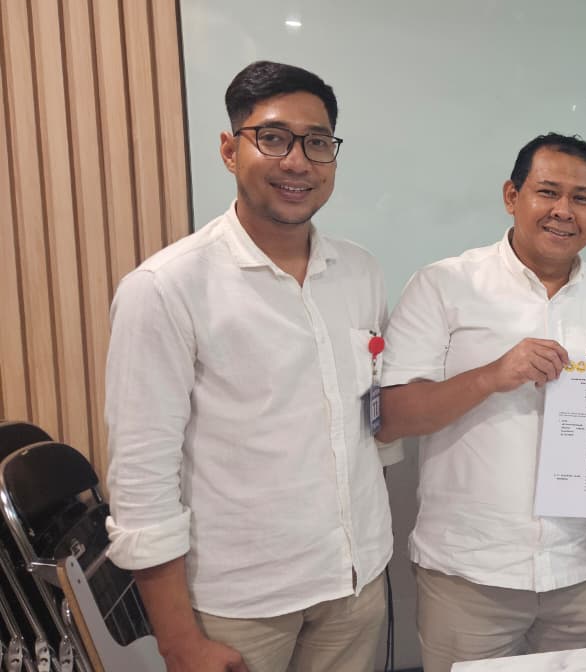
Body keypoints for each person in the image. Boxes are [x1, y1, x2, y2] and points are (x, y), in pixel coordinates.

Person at [105, 61, 397, 672]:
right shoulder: (165, 288)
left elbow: (365, 417)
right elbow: (141, 477)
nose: (298, 161)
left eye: (317, 142)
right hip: (240, 604)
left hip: (355, 582)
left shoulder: (360, 272)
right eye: (273, 138)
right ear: (229, 150)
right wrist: (179, 641)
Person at [376, 133, 586, 671]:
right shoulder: (444, 285)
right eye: (548, 192)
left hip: (584, 569)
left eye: (581, 198)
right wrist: (493, 375)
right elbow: (393, 416)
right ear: (512, 196)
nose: (564, 211)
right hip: (471, 572)